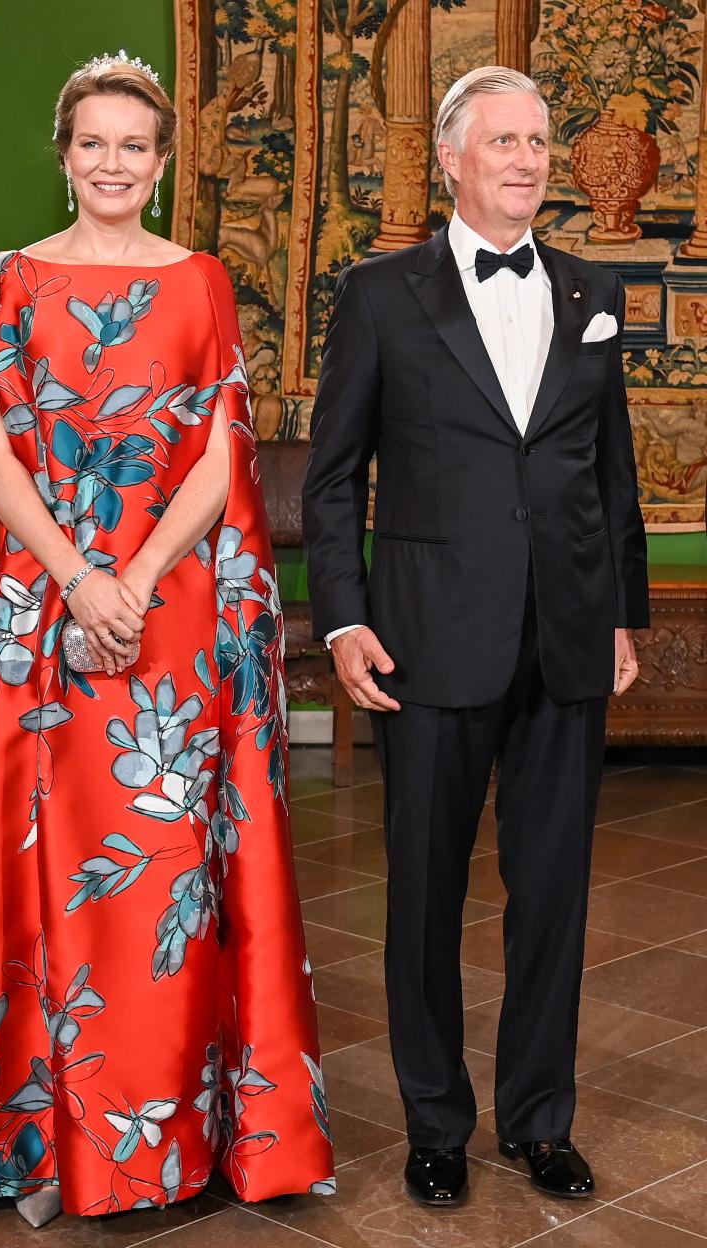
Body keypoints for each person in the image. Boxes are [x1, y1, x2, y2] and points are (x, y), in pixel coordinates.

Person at [0, 51, 334, 1226]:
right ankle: (28, 1132)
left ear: (162, 166)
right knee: (30, 856)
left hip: (173, 615)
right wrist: (79, 579)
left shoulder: (204, 282)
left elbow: (223, 452)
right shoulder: (10, 279)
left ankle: (161, 1133)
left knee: (161, 878)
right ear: (63, 155)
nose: (114, 163)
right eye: (95, 143)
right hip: (34, 609)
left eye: (136, 146)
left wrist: (137, 579)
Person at [304, 66, 648, 1207]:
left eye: (541, 139)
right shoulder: (381, 294)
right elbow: (333, 475)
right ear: (451, 159)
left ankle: (540, 1116)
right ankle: (436, 1121)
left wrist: (622, 615)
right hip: (426, 636)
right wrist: (344, 619)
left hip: (565, 636)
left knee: (554, 889)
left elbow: (611, 470)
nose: (528, 158)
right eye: (502, 140)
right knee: (424, 894)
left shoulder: (592, 288)